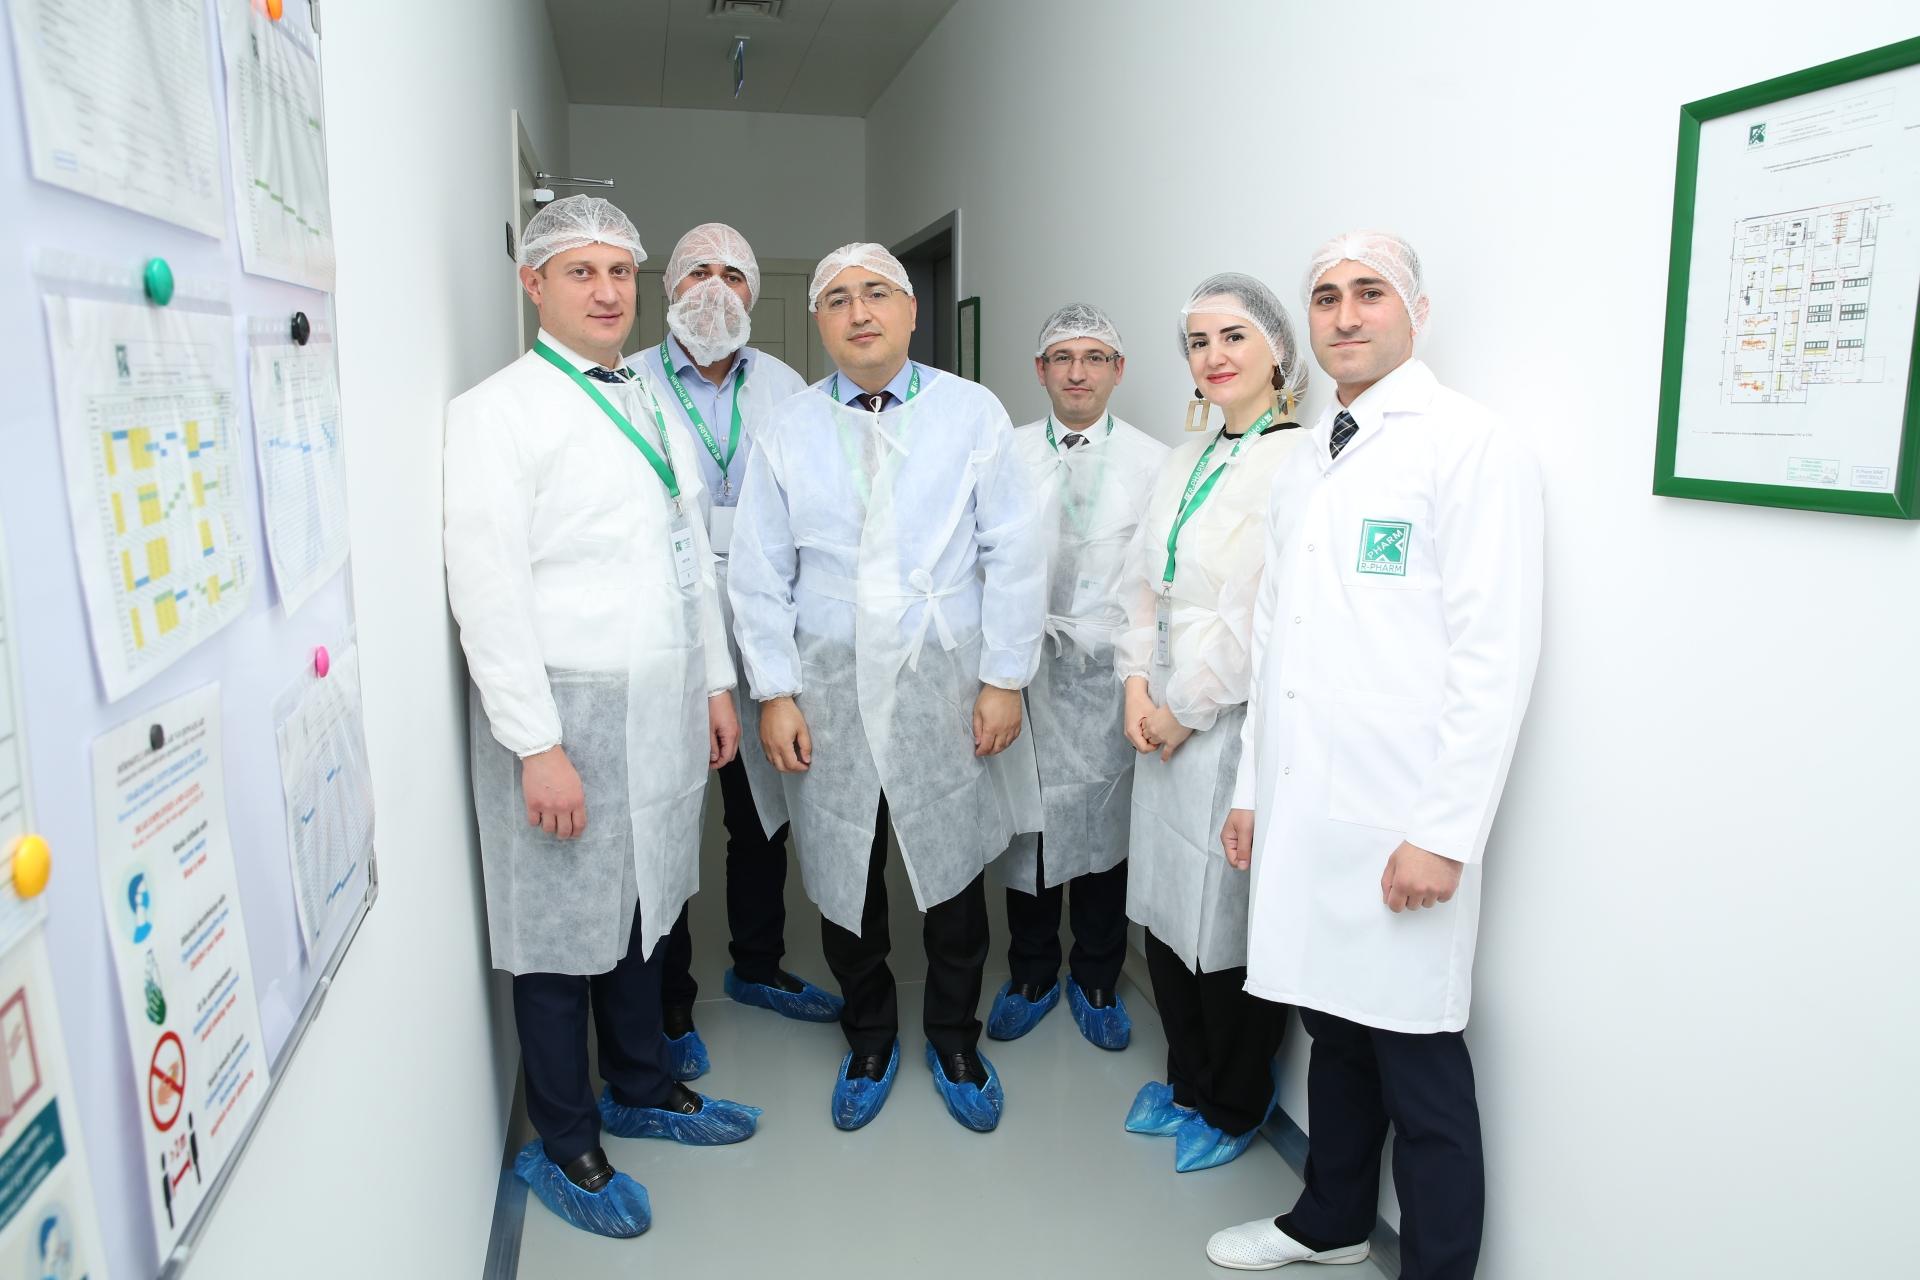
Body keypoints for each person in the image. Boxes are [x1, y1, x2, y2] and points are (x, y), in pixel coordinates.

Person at [1205, 232, 1543, 1275]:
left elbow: (1495, 657)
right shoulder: (1311, 454)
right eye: (1326, 296)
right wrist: (1252, 789)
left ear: (1416, 312)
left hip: (1401, 818)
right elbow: (1275, 638)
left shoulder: (1468, 445)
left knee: (1419, 1059)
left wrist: (1443, 834)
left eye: (1370, 293)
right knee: (1334, 1030)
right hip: (1309, 810)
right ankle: (1333, 1219)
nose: (1346, 315)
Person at [444, 196, 763, 1240]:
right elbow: (488, 591)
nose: (607, 290)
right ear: (533, 283)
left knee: (643, 905)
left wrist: (714, 682)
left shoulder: (647, 399)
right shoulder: (497, 412)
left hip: (661, 699)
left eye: (620, 271)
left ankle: (640, 1080)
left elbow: (687, 555)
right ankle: (566, 1138)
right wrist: (537, 745)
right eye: (581, 271)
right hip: (566, 708)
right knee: (557, 931)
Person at [728, 242, 1045, 1133]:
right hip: (826, 687)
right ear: (818, 321)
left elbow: (1015, 552)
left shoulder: (970, 413)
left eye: (876, 293)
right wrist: (775, 692)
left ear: (910, 311)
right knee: (845, 866)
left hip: (943, 680)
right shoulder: (788, 427)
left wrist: (1004, 679)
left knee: (951, 865)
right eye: (837, 298)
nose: (859, 311)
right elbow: (758, 572)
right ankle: (868, 1034)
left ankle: (953, 1036)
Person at [628, 223, 840, 1083]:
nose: (715, 288)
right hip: (667, 627)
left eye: (733, 275)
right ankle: (671, 1001)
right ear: (668, 287)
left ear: (753, 292)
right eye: (697, 273)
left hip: (765, 621)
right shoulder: (629, 385)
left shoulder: (787, 387)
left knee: (761, 811)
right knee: (670, 814)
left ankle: (757, 963)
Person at [1115, 273, 1309, 1174]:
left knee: (1220, 920)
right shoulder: (1184, 457)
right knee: (1163, 905)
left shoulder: (1296, 464)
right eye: (1199, 342)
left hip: (1226, 722)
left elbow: (1254, 617)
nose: (1214, 356)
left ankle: (1233, 1097)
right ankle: (1186, 1077)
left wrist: (1183, 712)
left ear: (1278, 351)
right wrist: (1134, 688)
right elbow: (1139, 583)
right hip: (1157, 709)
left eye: (1234, 337)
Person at [988, 303, 1167, 1051]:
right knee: (1027, 823)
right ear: (1040, 371)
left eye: (1095, 358)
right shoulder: (1004, 453)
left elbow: (1157, 583)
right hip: (1023, 669)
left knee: (1103, 821)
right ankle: (1030, 971)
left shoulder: (1155, 463)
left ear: (1118, 370)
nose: (1078, 372)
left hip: (1109, 677)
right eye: (1062, 357)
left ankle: (1096, 974)